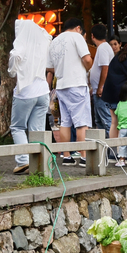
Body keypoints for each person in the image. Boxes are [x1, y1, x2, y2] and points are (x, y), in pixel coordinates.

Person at [46, 18, 92, 167]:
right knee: (82, 122)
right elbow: (87, 59)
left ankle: (66, 156)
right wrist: (87, 67)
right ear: (78, 28)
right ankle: (84, 156)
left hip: (61, 85)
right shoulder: (76, 37)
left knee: (65, 121)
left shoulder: (55, 41)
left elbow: (50, 67)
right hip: (77, 83)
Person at [8, 20, 51, 174]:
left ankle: (23, 161)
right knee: (37, 130)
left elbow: (14, 60)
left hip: (25, 91)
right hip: (43, 90)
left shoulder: (21, 44)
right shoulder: (43, 44)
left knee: (18, 127)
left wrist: (13, 68)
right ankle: (38, 163)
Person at [89, 24, 113, 136]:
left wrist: (100, 87)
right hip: (98, 90)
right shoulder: (104, 47)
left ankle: (112, 144)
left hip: (101, 91)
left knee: (106, 120)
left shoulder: (102, 48)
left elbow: (105, 68)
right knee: (99, 121)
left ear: (92, 36)